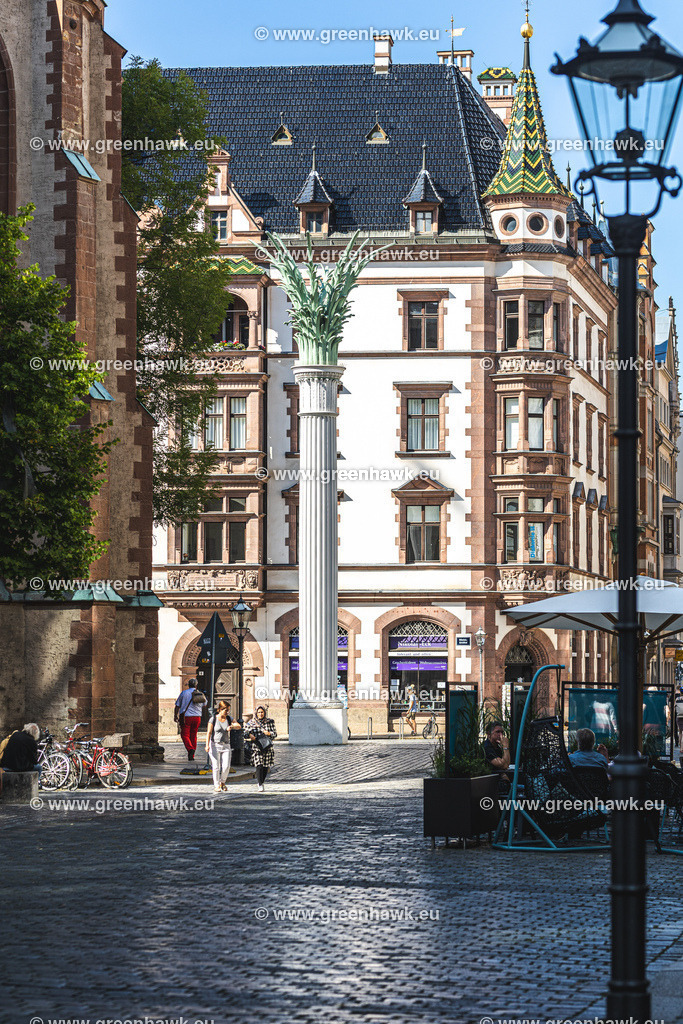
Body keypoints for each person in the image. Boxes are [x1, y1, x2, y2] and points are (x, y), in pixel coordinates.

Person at [206, 700, 241, 793]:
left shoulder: (229, 719)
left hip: (226, 745)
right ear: (219, 710)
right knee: (216, 766)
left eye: (228, 710)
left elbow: (239, 726)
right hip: (214, 744)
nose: (227, 712)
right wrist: (207, 745)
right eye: (225, 710)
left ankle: (222, 782)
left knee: (226, 766)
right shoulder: (213, 719)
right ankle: (217, 785)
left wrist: (232, 727)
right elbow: (209, 733)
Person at [244, 705, 277, 792]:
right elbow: (245, 733)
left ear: (264, 713)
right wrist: (250, 735)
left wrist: (269, 733)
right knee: (259, 765)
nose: (260, 714)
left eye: (262, 712)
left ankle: (262, 782)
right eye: (259, 712)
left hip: (267, 747)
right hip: (257, 747)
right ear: (256, 713)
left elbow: (275, 734)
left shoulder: (270, 722)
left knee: (265, 766)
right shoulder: (251, 722)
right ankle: (260, 784)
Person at [174, 678, 206, 761]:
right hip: (197, 717)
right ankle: (192, 755)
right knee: (193, 735)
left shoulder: (184, 693)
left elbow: (177, 705)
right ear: (196, 685)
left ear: (188, 684)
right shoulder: (200, 693)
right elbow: (205, 704)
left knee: (184, 735)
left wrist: (175, 715)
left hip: (186, 717)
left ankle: (190, 749)